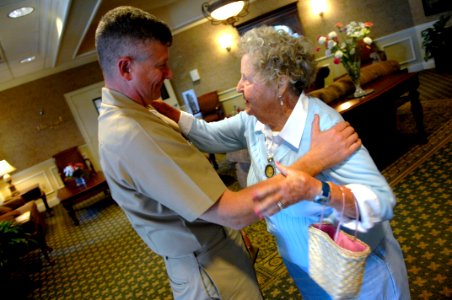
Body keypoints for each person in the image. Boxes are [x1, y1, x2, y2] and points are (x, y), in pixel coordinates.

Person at [95, 7, 360, 300]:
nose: (169, 74)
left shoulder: (139, 110)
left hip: (219, 245)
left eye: (247, 77)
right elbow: (234, 212)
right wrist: (317, 160)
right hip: (208, 268)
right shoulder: (133, 132)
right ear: (125, 68)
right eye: (161, 65)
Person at [153, 26, 410, 299]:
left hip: (359, 274)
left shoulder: (324, 127)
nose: (238, 87)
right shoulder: (254, 122)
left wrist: (322, 191)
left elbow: (382, 202)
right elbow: (207, 136)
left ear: (280, 83)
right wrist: (166, 112)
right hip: (305, 268)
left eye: (246, 79)